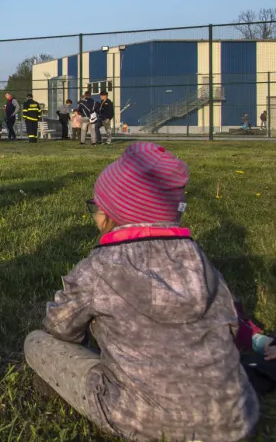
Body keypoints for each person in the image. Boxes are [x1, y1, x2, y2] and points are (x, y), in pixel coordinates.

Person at [24, 143, 259, 441]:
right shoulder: (200, 261)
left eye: (97, 207)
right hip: (235, 419)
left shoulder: (99, 267)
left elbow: (60, 326)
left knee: (36, 342)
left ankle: (56, 391)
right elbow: (232, 323)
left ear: (113, 214)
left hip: (141, 420)